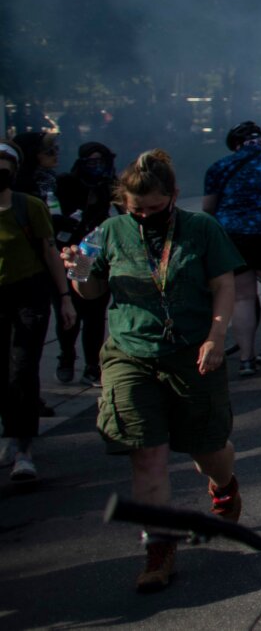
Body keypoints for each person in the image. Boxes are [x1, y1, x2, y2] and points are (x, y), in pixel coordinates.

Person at [63, 150, 243, 593]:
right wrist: (76, 270)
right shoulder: (107, 232)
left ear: (174, 196)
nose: (144, 216)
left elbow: (224, 285)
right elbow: (89, 292)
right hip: (130, 352)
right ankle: (159, 545)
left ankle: (224, 485)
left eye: (154, 208)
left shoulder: (201, 229)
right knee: (146, 451)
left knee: (208, 448)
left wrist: (215, 339)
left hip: (191, 352)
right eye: (135, 209)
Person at [0, 142, 78, 483]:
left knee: (22, 370)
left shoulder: (28, 206)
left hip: (28, 296)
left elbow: (49, 253)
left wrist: (64, 298)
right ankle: (11, 432)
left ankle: (22, 447)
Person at [202, 122, 261, 378]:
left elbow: (208, 207)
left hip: (231, 237)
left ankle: (246, 359)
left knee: (242, 296)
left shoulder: (219, 167)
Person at [54, 141, 118, 385]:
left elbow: (124, 211)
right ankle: (67, 357)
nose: (97, 167)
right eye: (91, 162)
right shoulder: (66, 183)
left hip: (94, 255)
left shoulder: (109, 185)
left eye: (101, 161)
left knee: (94, 312)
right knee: (70, 313)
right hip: (71, 254)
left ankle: (92, 365)